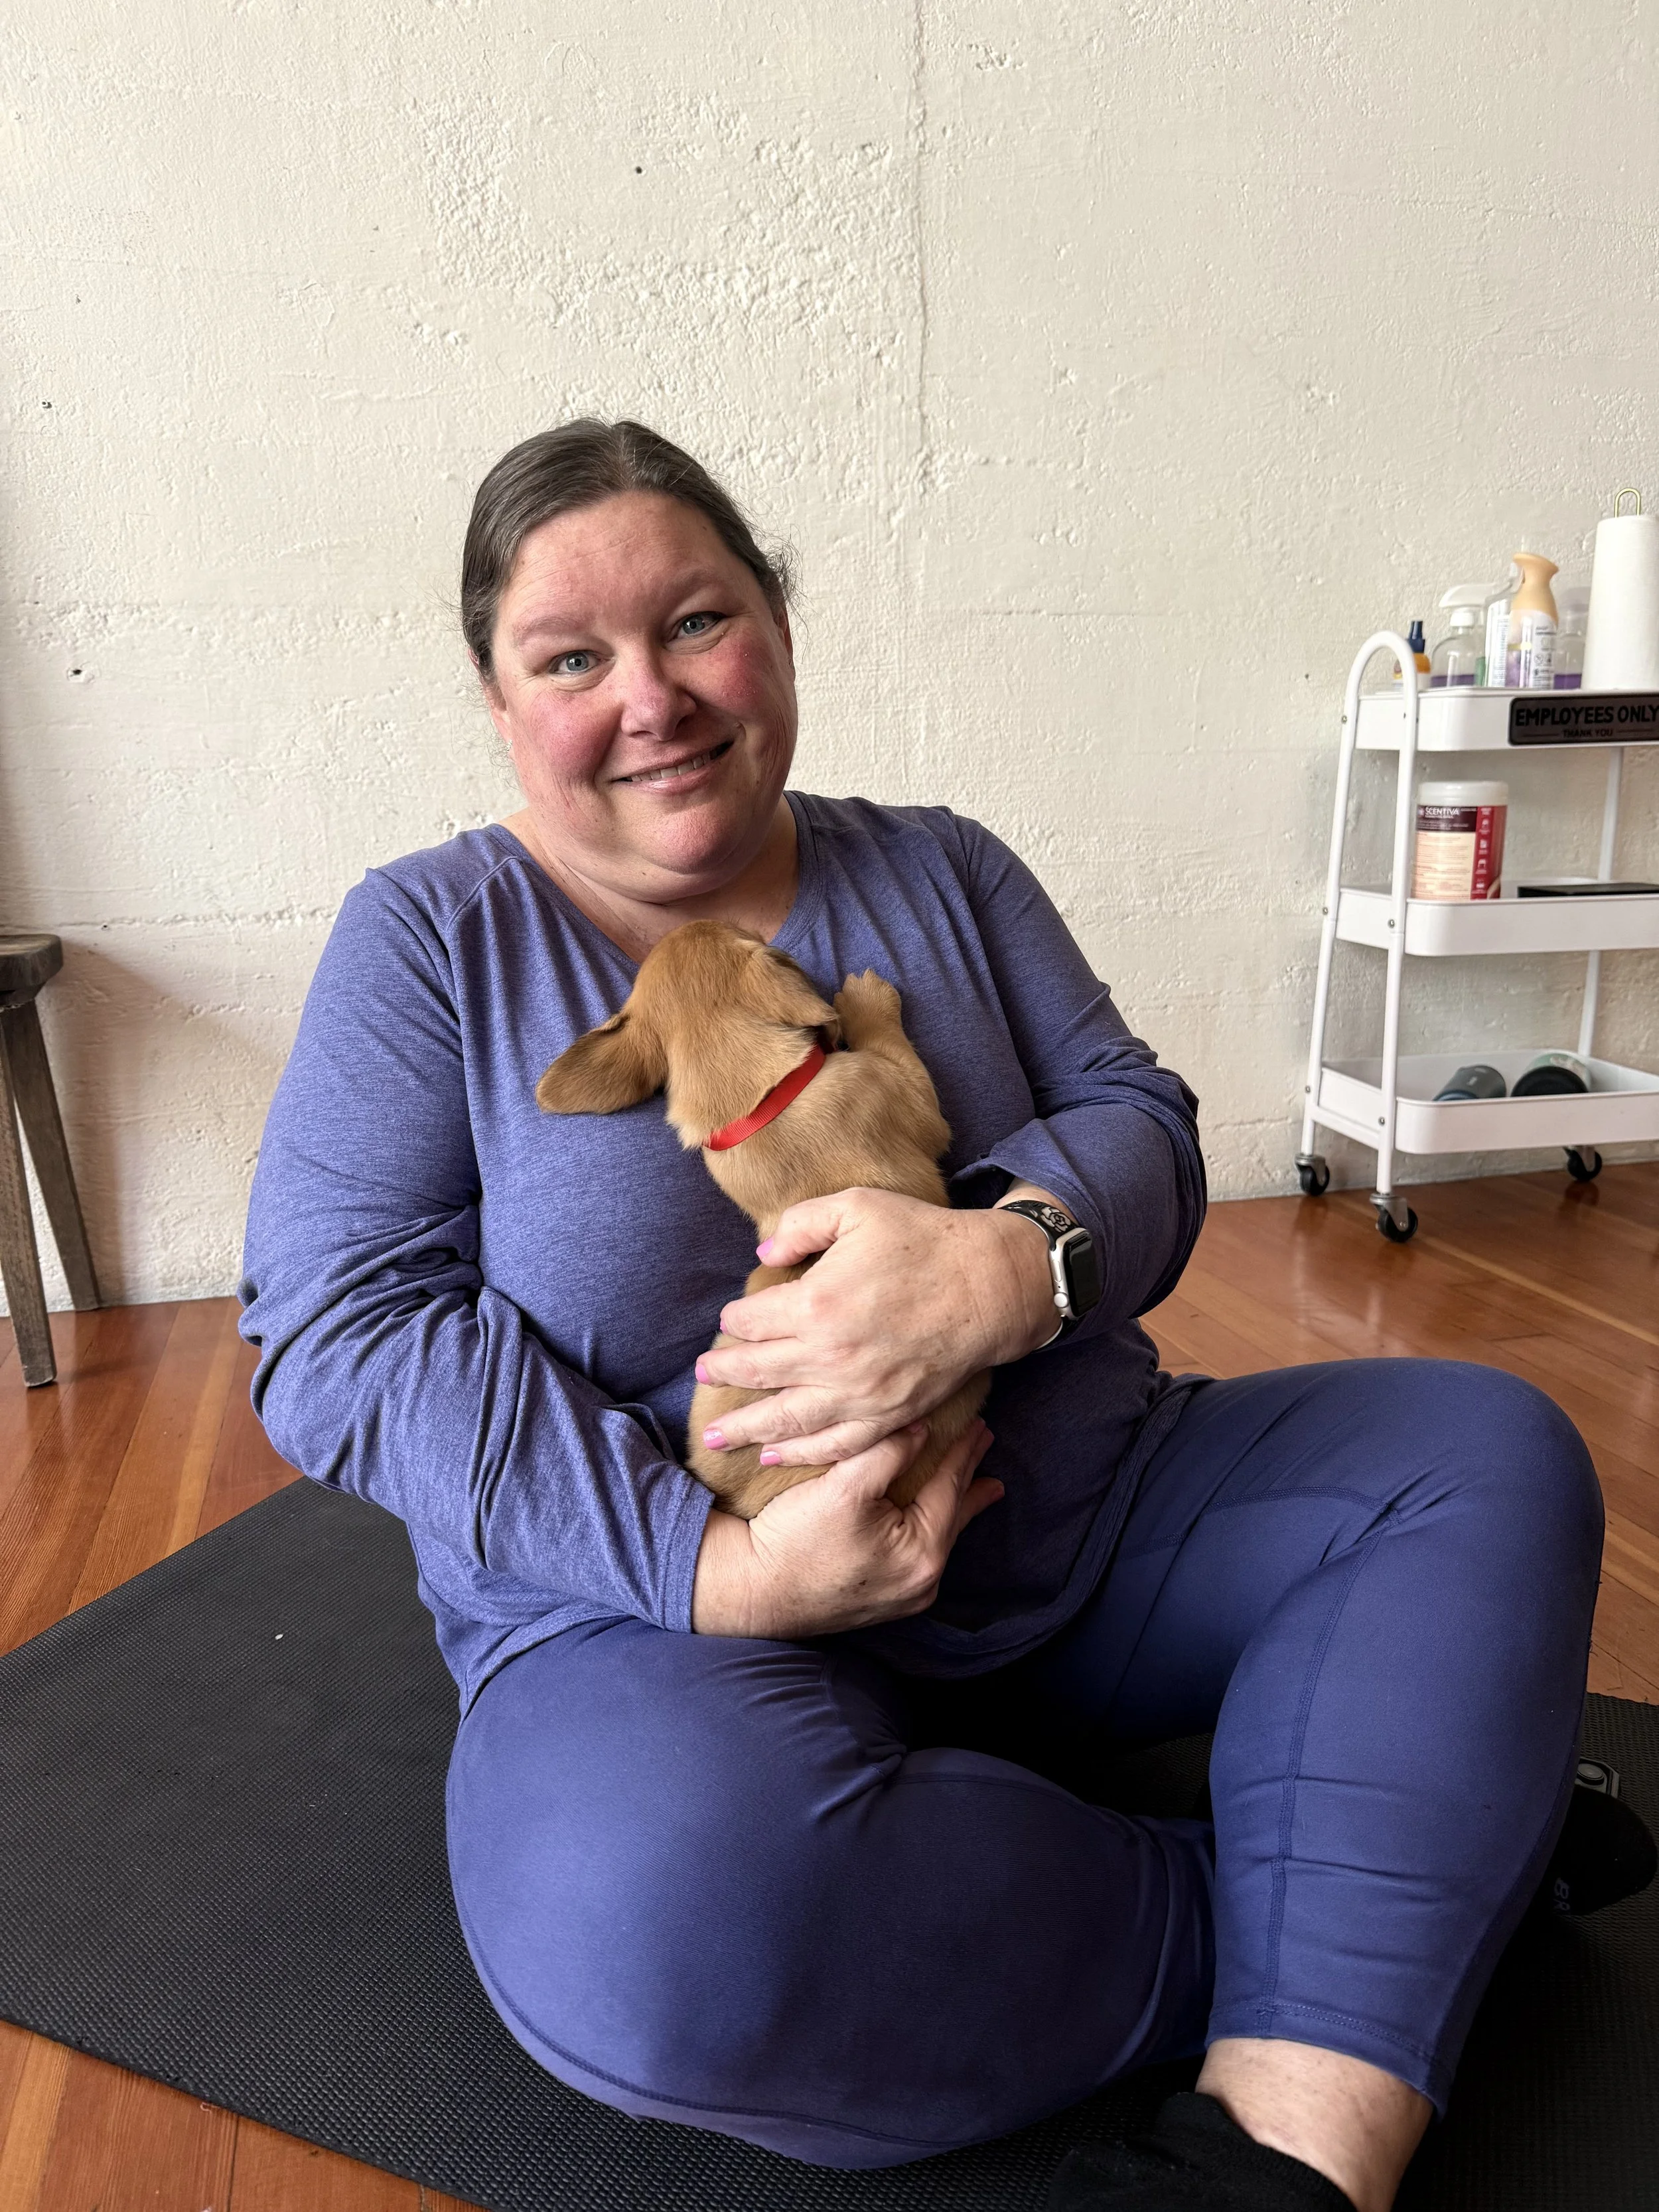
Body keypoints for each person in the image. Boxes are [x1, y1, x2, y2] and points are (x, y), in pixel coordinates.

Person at [240, 421, 1607, 2212]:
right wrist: (718, 1568)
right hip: (665, 1630)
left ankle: (1286, 2135)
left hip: (1080, 1518)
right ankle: (1364, 1884)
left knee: (1486, 1455)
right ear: (504, 706)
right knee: (653, 1929)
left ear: (781, 635)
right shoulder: (430, 938)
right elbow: (334, 1324)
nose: (649, 695)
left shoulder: (940, 863)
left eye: (699, 622)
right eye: (570, 658)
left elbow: (1142, 1116)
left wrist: (1008, 1254)